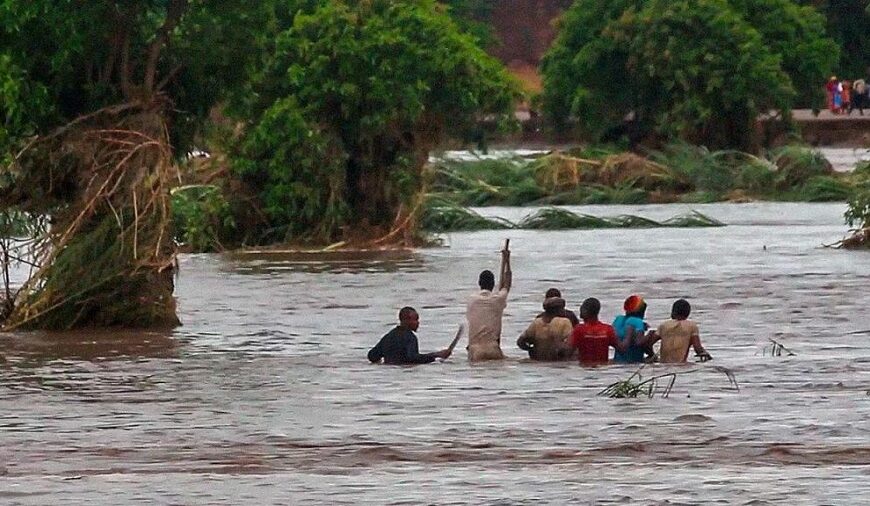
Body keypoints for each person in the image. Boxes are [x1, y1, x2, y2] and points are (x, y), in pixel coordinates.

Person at [465, 247, 512, 361]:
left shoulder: (471, 300)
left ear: (479, 283)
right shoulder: (497, 299)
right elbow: (507, 283)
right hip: (493, 349)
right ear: (493, 284)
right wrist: (507, 260)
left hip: (475, 350)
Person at [368, 307, 451, 365]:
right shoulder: (410, 337)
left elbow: (372, 356)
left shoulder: (389, 336)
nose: (418, 323)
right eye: (415, 319)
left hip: (390, 372)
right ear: (405, 320)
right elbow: (412, 358)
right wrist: (436, 355)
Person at [644, 299, 711, 363]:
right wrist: (708, 356)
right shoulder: (691, 326)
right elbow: (698, 349)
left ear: (673, 311)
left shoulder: (664, 325)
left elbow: (648, 345)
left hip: (664, 365)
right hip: (681, 365)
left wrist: (653, 356)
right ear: (688, 313)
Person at [568, 297, 627, 366]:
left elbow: (568, 352)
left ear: (585, 310)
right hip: (603, 368)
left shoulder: (579, 329)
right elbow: (622, 349)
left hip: (584, 368)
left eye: (582, 307)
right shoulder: (607, 329)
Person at [517, 296, 574, 361]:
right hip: (557, 361)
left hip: (538, 359)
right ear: (558, 309)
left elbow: (521, 341)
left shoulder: (537, 322)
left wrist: (530, 349)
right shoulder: (564, 322)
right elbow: (571, 343)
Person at [611, 295, 649, 364]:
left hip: (617, 361)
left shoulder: (618, 319)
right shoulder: (638, 321)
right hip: (634, 362)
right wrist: (650, 334)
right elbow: (639, 342)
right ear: (641, 311)